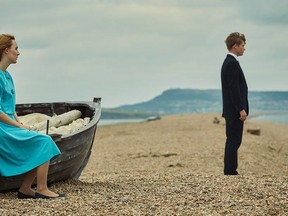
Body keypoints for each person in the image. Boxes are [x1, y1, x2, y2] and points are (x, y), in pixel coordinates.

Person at [0, 34, 64, 198]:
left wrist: (19, 122)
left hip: (10, 125)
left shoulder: (7, 75)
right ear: (6, 50)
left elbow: (10, 106)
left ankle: (25, 188)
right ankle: (42, 189)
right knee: (44, 141)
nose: (19, 52)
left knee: (37, 140)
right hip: (3, 130)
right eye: (16, 48)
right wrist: (19, 126)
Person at [221, 32, 249, 175]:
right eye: (243, 45)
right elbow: (234, 90)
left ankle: (230, 169)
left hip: (232, 110)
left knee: (233, 139)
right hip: (234, 111)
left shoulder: (230, 62)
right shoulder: (231, 63)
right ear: (235, 46)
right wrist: (241, 109)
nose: (244, 48)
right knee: (234, 140)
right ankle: (230, 170)